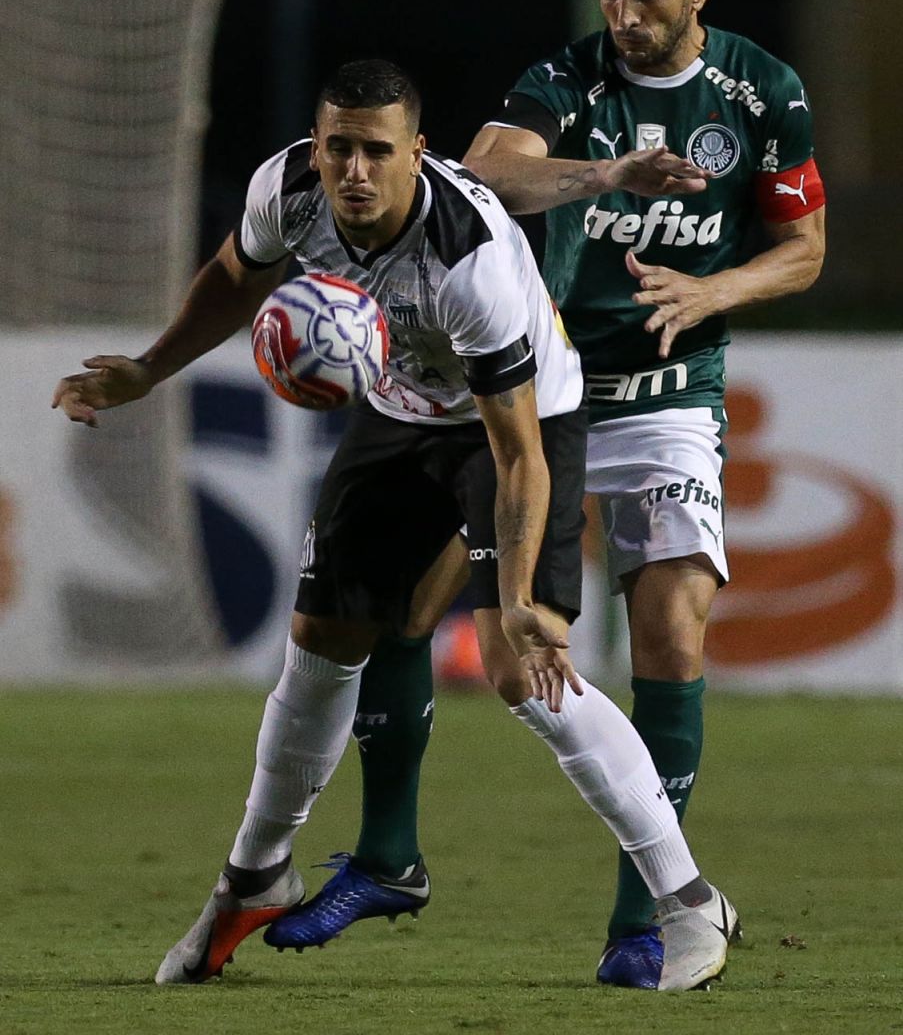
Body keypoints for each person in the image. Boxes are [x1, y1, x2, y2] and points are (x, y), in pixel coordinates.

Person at [54, 59, 736, 991]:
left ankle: (687, 898)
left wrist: (522, 591)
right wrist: (145, 369)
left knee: (522, 669)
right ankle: (254, 875)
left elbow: (517, 456)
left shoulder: (468, 256)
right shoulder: (285, 188)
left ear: (417, 153)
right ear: (318, 144)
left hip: (519, 421)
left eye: (378, 151)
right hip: (401, 404)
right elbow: (230, 277)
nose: (355, 171)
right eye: (339, 147)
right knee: (320, 637)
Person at [285, 0, 824, 990]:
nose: (624, 12)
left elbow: (805, 248)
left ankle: (645, 924)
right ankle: (389, 854)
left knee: (669, 632)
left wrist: (712, 290)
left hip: (673, 395)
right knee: (406, 604)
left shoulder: (763, 94)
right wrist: (607, 174)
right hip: (546, 396)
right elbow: (487, 168)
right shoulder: (568, 83)